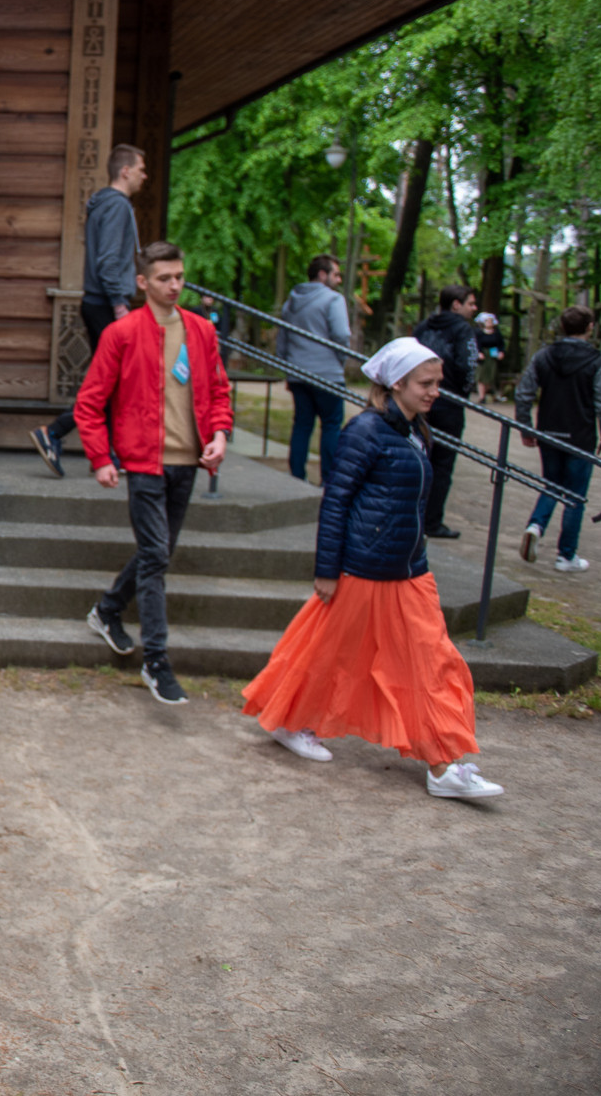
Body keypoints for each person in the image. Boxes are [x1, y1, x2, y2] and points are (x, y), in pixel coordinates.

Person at [243, 338, 502, 798]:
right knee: (323, 652)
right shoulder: (365, 431)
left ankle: (443, 767)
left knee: (432, 661)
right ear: (396, 382)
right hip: (362, 569)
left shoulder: (415, 430)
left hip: (408, 571)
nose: (434, 391)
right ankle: (287, 721)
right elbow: (336, 500)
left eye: (437, 383)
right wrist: (328, 568)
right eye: (426, 383)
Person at [73, 241, 232, 706]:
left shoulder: (202, 331)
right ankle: (156, 660)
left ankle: (107, 609)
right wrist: (102, 457)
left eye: (180, 276)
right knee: (157, 556)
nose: (175, 285)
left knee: (155, 554)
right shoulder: (122, 333)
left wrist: (220, 433)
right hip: (144, 463)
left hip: (189, 463)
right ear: (143, 282)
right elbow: (89, 401)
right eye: (164, 278)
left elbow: (219, 391)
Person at [31, 145, 147, 476]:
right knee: (107, 383)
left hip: (99, 303)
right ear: (125, 171)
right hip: (106, 305)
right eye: (141, 168)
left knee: (112, 380)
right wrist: (120, 305)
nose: (144, 175)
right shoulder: (116, 206)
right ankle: (53, 432)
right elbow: (109, 260)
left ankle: (110, 452)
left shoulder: (108, 205)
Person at [516, 306, 601, 572]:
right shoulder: (598, 361)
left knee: (551, 484)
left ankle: (536, 525)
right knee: (575, 496)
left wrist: (526, 428)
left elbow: (523, 393)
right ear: (590, 327)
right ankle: (566, 556)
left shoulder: (544, 355)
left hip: (547, 432)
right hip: (580, 436)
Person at [268, 255, 352, 481]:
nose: (338, 278)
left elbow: (283, 337)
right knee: (332, 425)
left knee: (302, 425)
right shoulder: (333, 300)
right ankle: (329, 479)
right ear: (322, 274)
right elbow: (341, 334)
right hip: (327, 375)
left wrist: (287, 364)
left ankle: (296, 475)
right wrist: (340, 361)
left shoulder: (291, 301)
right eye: (335, 274)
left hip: (298, 373)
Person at [410, 284, 479, 538]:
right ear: (455, 304)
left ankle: (415, 515)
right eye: (471, 303)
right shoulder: (463, 330)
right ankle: (431, 521)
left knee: (418, 456)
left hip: (418, 402)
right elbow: (467, 365)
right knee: (442, 463)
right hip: (448, 403)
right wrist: (462, 392)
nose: (475, 308)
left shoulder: (424, 327)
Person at [474, 311, 506, 403]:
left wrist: (501, 352)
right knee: (481, 376)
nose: (489, 323)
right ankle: (482, 396)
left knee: (490, 376)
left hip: (492, 356)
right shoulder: (479, 333)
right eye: (487, 321)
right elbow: (476, 344)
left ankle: (488, 392)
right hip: (483, 356)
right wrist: (479, 353)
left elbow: (501, 344)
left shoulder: (496, 333)